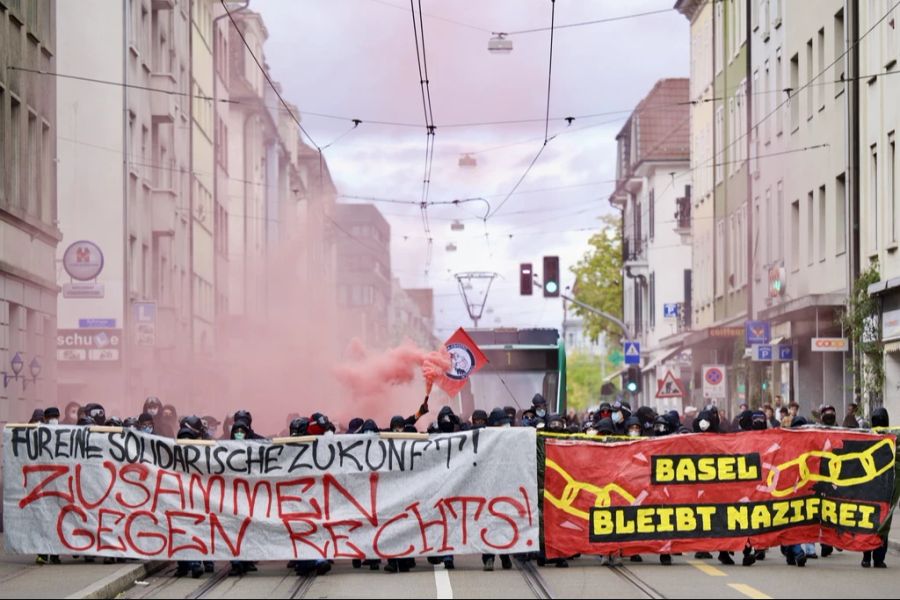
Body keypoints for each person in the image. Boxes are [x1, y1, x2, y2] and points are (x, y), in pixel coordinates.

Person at [863, 407, 891, 568]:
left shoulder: (892, 438)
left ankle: (873, 557)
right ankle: (872, 557)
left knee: (876, 522)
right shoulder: (869, 437)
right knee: (877, 522)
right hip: (875, 487)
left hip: (880, 487)